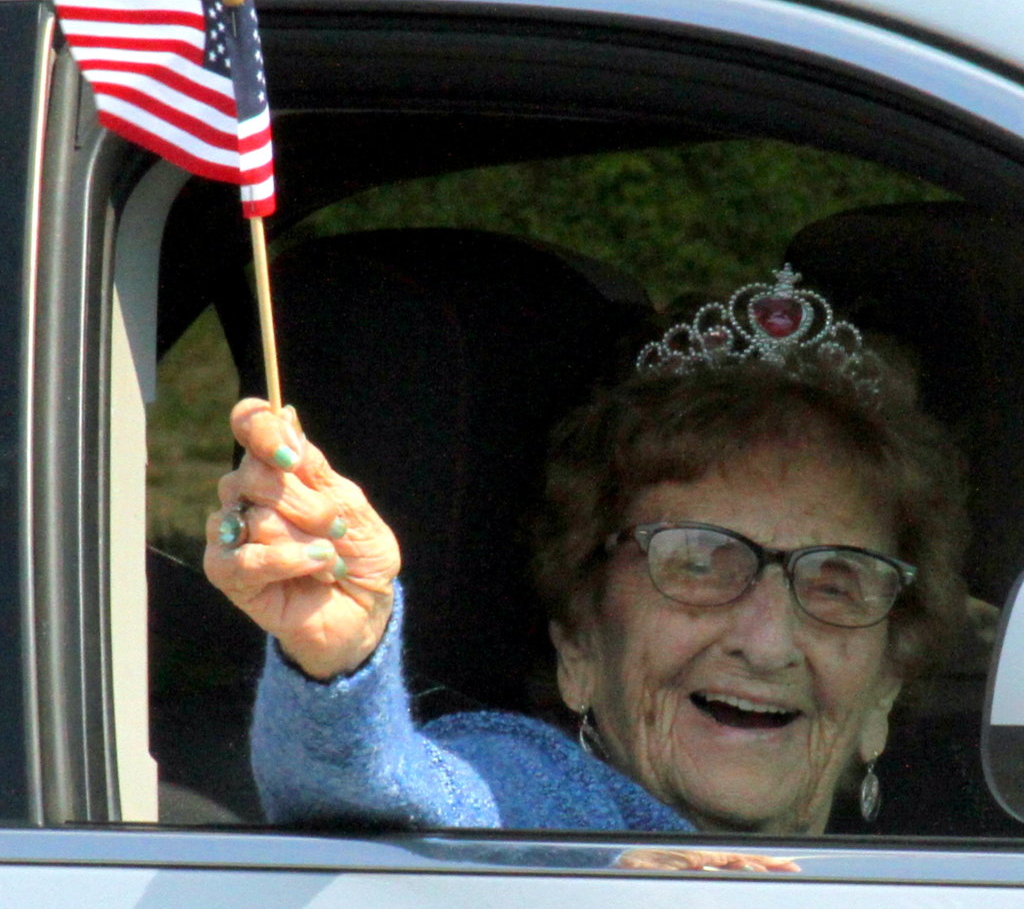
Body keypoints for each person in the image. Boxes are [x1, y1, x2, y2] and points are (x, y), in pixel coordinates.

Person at [204, 266, 967, 838]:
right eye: (699, 561)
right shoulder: (545, 795)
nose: (767, 643)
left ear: (886, 683)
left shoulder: (966, 855)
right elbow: (389, 792)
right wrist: (340, 665)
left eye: (835, 581)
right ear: (579, 641)